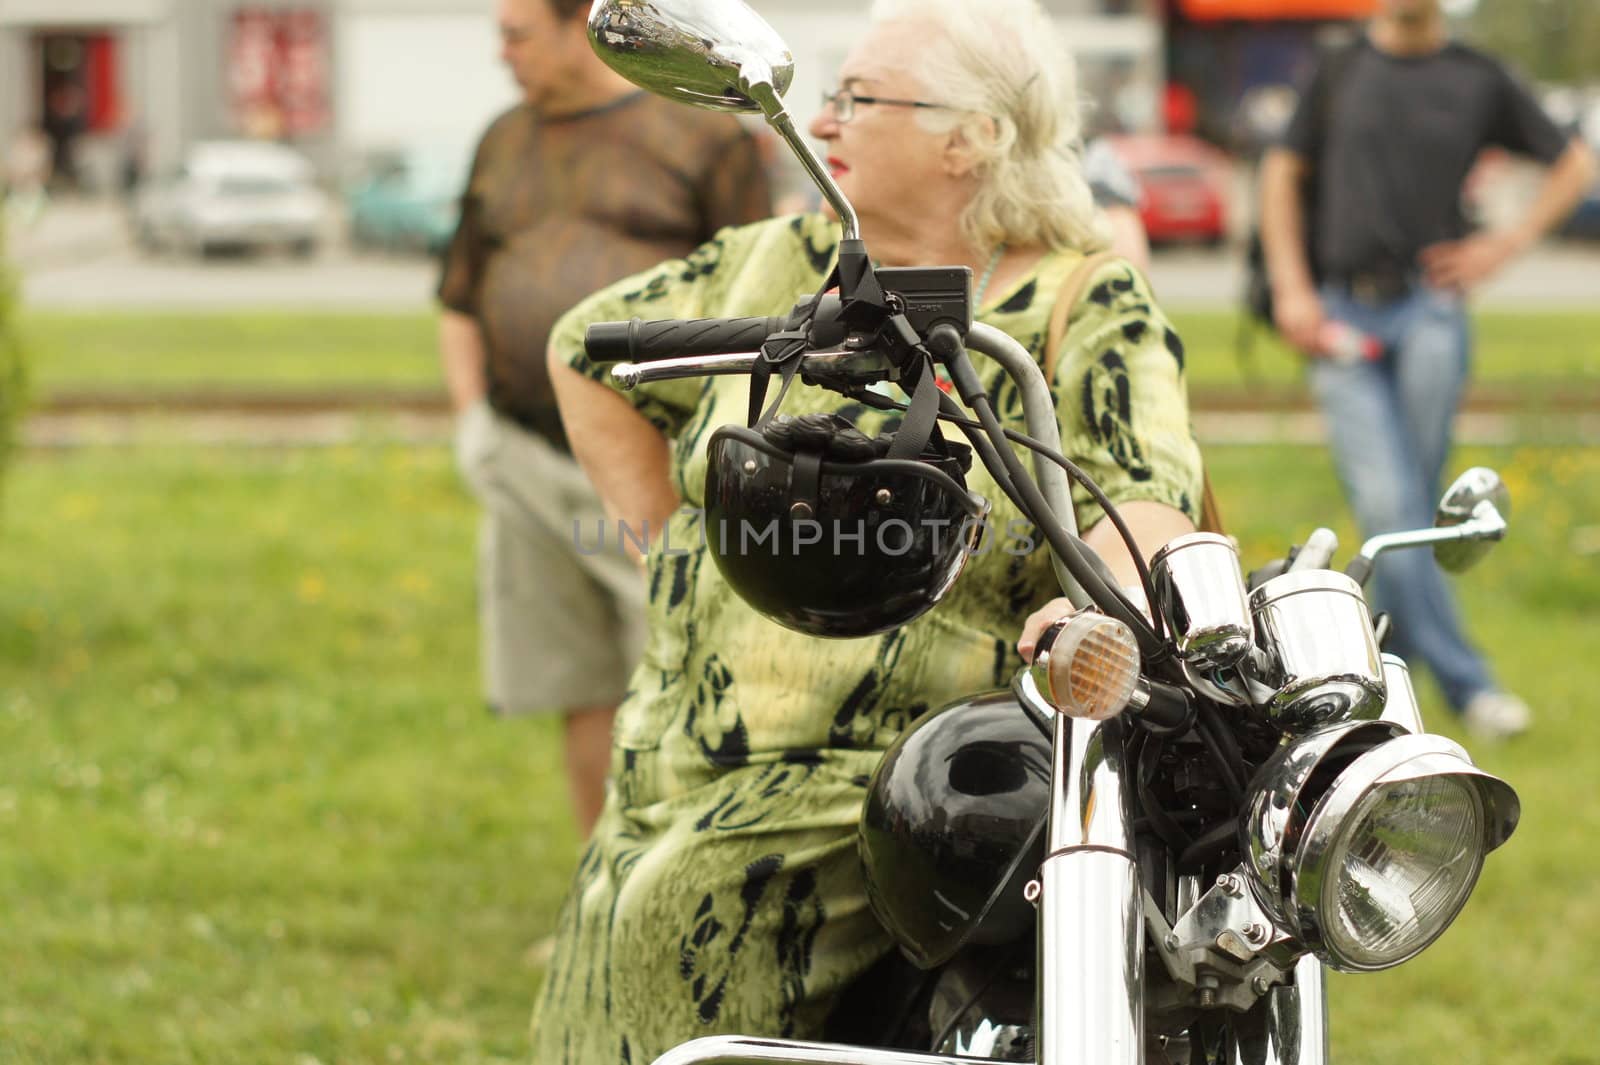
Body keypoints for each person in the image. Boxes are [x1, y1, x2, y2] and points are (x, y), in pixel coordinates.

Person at [534, 0, 1203, 1059]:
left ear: (969, 137)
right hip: (680, 742)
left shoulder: (1078, 298)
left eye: (858, 98)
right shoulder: (763, 262)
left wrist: (1099, 591)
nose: (824, 121)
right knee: (605, 957)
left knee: (673, 921)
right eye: (830, 97)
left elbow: (1148, 487)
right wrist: (665, 548)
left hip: (898, 769)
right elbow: (586, 348)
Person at [435, 0, 772, 835]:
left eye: (516, 35)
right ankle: (597, 884)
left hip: (649, 461)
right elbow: (459, 293)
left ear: (574, 25)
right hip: (522, 458)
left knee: (676, 668)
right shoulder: (503, 139)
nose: (501, 55)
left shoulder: (702, 133)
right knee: (571, 679)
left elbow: (764, 302)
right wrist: (472, 416)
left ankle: (671, 870)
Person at [1259, 0, 1597, 741]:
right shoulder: (1342, 65)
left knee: (1411, 516)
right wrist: (1291, 288)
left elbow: (1576, 162)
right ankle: (1472, 685)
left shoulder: (1477, 75)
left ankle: (1382, 671)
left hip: (1431, 315)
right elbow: (1281, 173)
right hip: (1343, 316)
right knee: (1390, 507)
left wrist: (1501, 247)